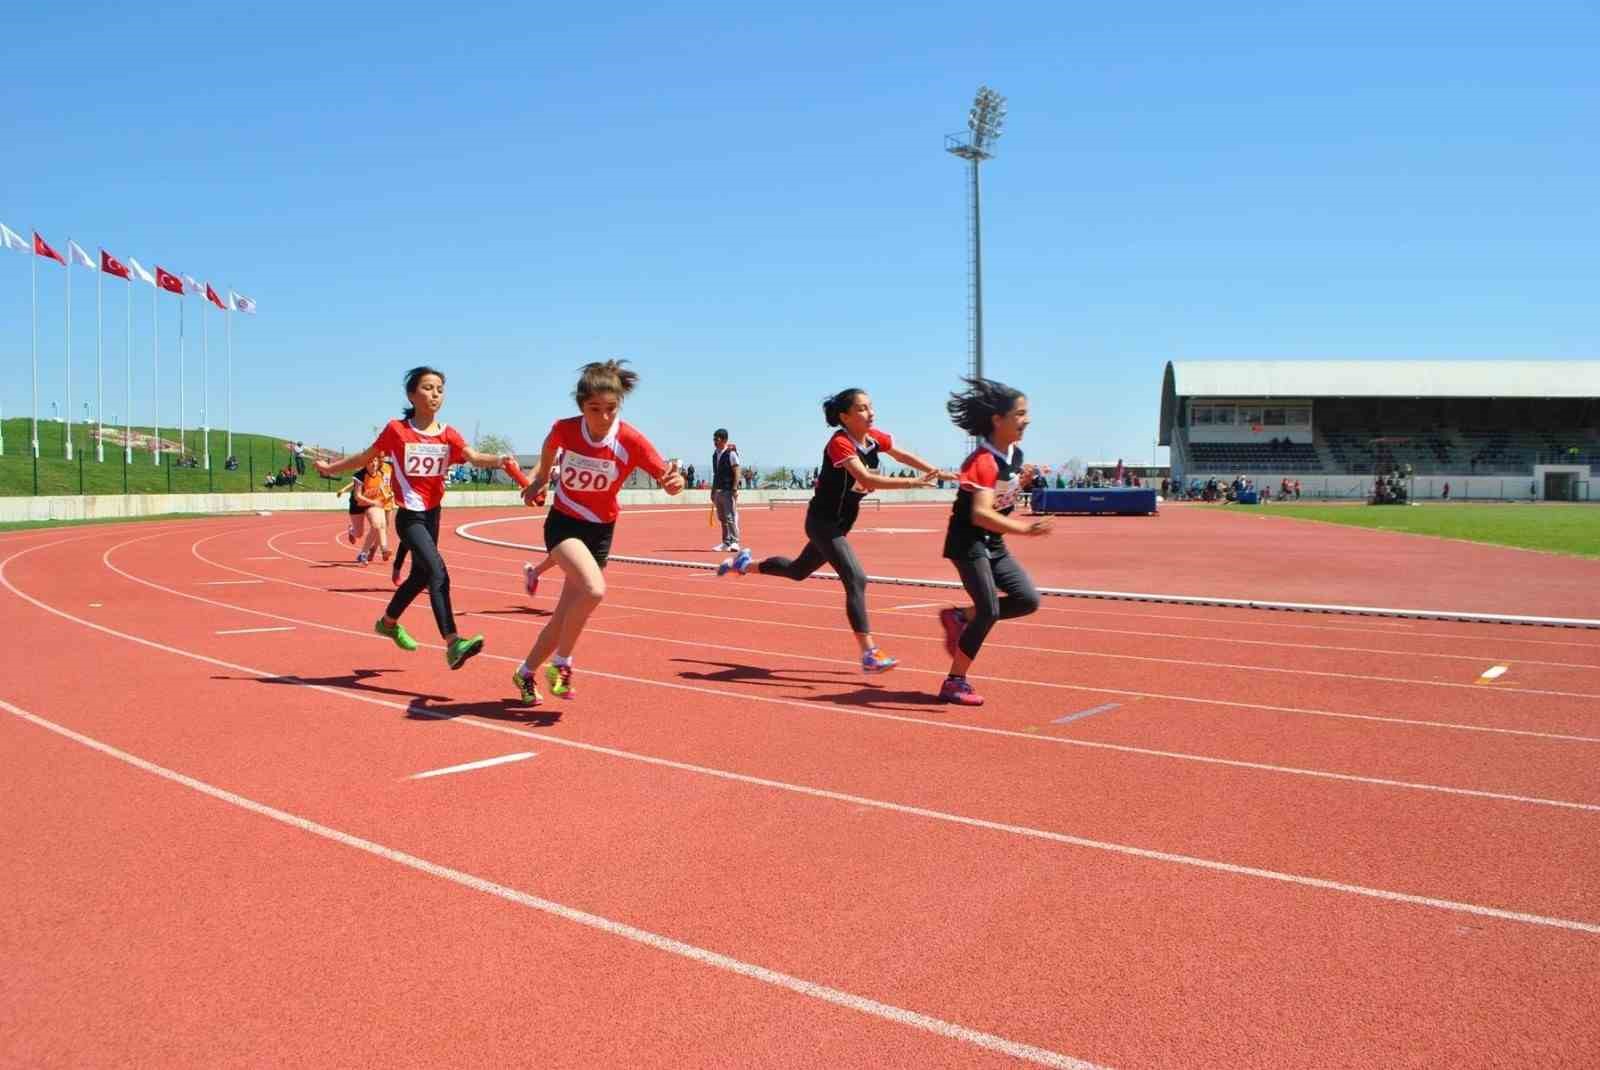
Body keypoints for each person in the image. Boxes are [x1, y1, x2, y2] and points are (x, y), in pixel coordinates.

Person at [719, 387, 947, 674]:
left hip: (841, 524)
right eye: (862, 408)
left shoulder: (874, 438)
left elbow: (902, 456)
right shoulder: (840, 444)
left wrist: (936, 472)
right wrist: (914, 484)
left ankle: (744, 564)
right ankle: (870, 654)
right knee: (856, 579)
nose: (870, 412)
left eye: (871, 406)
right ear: (845, 416)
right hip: (822, 523)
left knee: (798, 571)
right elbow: (865, 478)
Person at [511, 360, 685, 707]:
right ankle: (562, 665)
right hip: (564, 524)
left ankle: (526, 671)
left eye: (610, 409)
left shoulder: (631, 439)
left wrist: (674, 482)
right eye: (594, 409)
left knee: (563, 618)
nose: (603, 418)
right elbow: (545, 459)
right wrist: (539, 481)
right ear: (581, 407)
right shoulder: (564, 429)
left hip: (601, 530)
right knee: (594, 590)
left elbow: (668, 478)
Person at [315, 365, 508, 669]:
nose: (435, 394)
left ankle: (388, 622)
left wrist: (499, 459)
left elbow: (473, 456)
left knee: (419, 575)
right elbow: (365, 458)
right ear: (411, 394)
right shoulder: (397, 430)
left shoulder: (448, 434)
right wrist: (330, 468)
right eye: (428, 388)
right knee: (437, 572)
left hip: (433, 516)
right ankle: (453, 642)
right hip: (410, 517)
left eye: (440, 390)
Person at [936, 378, 1051, 707]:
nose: (1026, 420)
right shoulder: (981, 462)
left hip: (993, 543)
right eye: (1020, 414)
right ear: (997, 420)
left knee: (1027, 600)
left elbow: (1001, 499)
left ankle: (960, 617)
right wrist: (1025, 530)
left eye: (1026, 413)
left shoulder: (1015, 454)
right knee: (988, 610)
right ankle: (954, 681)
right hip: (968, 542)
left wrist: (1020, 482)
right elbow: (981, 514)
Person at [355, 454, 396, 564]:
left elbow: (384, 487)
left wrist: (389, 494)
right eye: (372, 461)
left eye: (376, 460)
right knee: (374, 526)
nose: (375, 463)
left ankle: (379, 550)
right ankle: (375, 550)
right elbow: (357, 495)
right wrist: (373, 501)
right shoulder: (361, 474)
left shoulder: (383, 472)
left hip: (381, 502)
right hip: (366, 504)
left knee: (382, 526)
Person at [710, 428, 742, 552]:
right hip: (718, 490)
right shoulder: (715, 455)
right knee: (722, 518)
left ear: (724, 440)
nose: (714, 442)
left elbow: (737, 471)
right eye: (714, 439)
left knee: (730, 517)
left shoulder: (731, 454)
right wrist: (713, 491)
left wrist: (734, 488)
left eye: (716, 439)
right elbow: (715, 474)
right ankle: (726, 542)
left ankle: (735, 542)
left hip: (728, 490)